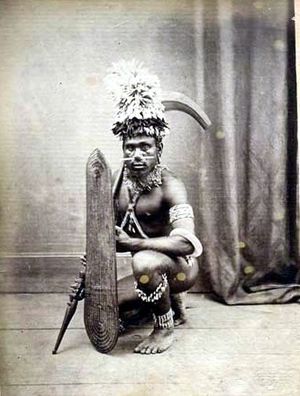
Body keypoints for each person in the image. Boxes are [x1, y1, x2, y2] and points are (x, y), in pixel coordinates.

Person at [105, 61, 203, 354]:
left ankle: (164, 328)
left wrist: (133, 243)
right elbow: (109, 236)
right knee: (109, 304)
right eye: (130, 148)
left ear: (158, 149)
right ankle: (174, 307)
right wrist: (94, 262)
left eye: (145, 147)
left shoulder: (171, 185)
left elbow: (187, 245)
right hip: (147, 268)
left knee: (144, 262)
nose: (136, 155)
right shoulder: (116, 182)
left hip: (182, 271)